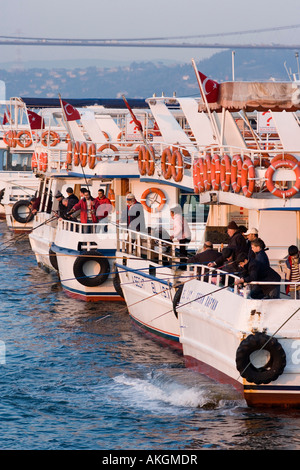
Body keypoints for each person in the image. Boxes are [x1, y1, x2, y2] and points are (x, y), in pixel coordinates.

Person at [170, 204, 191, 269]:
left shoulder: (177, 218)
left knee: (183, 252)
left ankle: (182, 266)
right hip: (186, 236)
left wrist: (173, 236)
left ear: (173, 213)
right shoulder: (180, 217)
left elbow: (179, 228)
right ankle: (183, 265)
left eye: (170, 213)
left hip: (184, 237)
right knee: (183, 252)